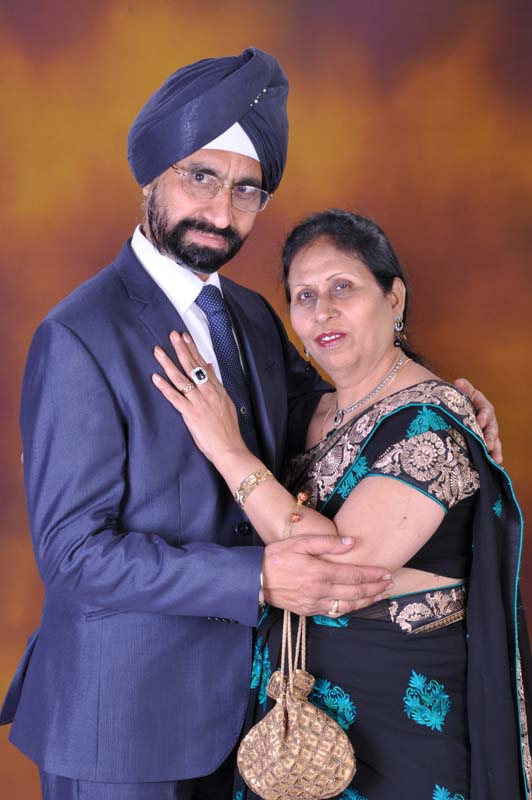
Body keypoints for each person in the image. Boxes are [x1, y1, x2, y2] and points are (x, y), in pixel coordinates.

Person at [0, 48, 500, 800]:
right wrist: (259, 576)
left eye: (246, 190)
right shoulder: (80, 335)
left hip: (257, 718)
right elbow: (74, 555)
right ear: (152, 176)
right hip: (122, 719)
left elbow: (341, 408)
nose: (221, 212)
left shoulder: (252, 317)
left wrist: (445, 400)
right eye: (200, 177)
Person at [152, 209, 531, 800]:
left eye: (342, 288)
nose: (322, 311)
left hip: (399, 726)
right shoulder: (307, 409)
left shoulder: (433, 424)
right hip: (292, 725)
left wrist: (227, 450)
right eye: (304, 296)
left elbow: (336, 568)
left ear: (394, 298)